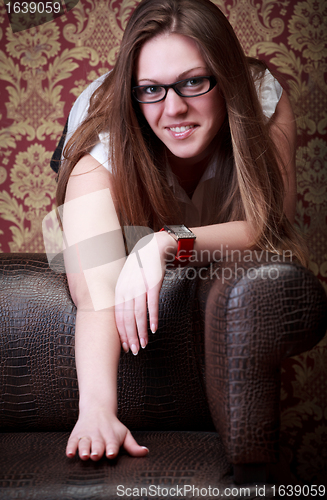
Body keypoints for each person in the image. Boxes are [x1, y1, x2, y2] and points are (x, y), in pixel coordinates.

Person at [54, 0, 307, 462]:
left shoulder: (261, 94)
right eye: (151, 89)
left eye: (193, 81)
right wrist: (95, 411)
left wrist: (167, 241)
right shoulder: (99, 141)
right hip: (120, 203)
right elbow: (96, 291)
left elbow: (270, 225)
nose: (173, 108)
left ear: (226, 76)